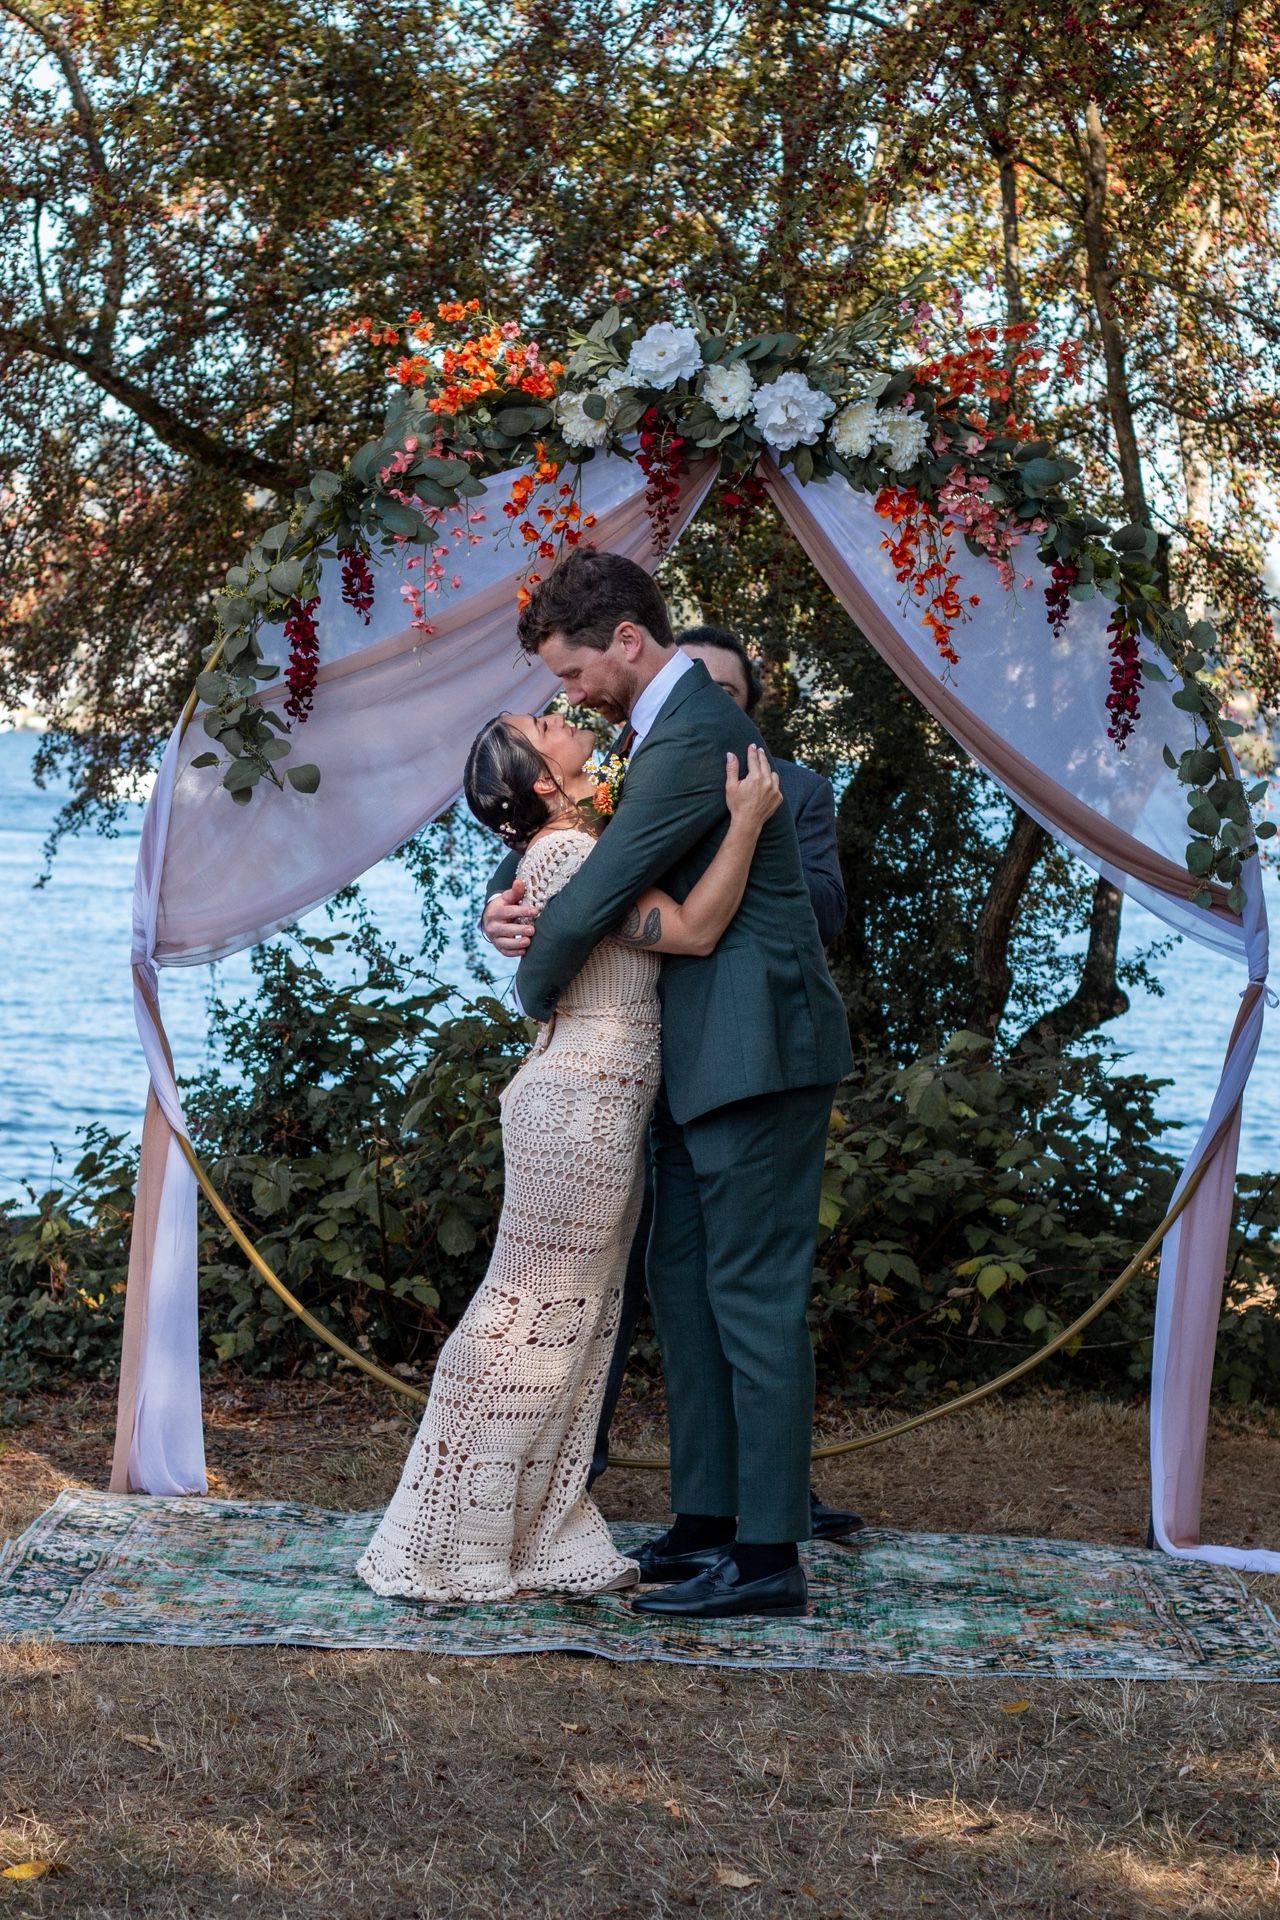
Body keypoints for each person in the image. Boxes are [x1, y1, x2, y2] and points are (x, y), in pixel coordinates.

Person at [489, 546, 853, 1622]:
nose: (568, 693)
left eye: (570, 672)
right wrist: (508, 908)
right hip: (695, 1058)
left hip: (755, 1050)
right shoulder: (663, 732)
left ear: (627, 642)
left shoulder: (696, 733)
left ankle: (768, 1557)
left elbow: (596, 888)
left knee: (750, 1299)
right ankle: (707, 1524)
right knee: (689, 1298)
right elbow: (581, 872)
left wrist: (533, 987)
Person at [356, 711, 783, 1604]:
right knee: (528, 1312)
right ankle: (445, 1531)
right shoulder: (563, 858)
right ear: (543, 780)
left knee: (574, 1322)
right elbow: (696, 931)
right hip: (579, 1110)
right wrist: (746, 821)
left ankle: (526, 1526)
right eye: (541, 724)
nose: (560, 714)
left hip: (602, 1102)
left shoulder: (575, 843)